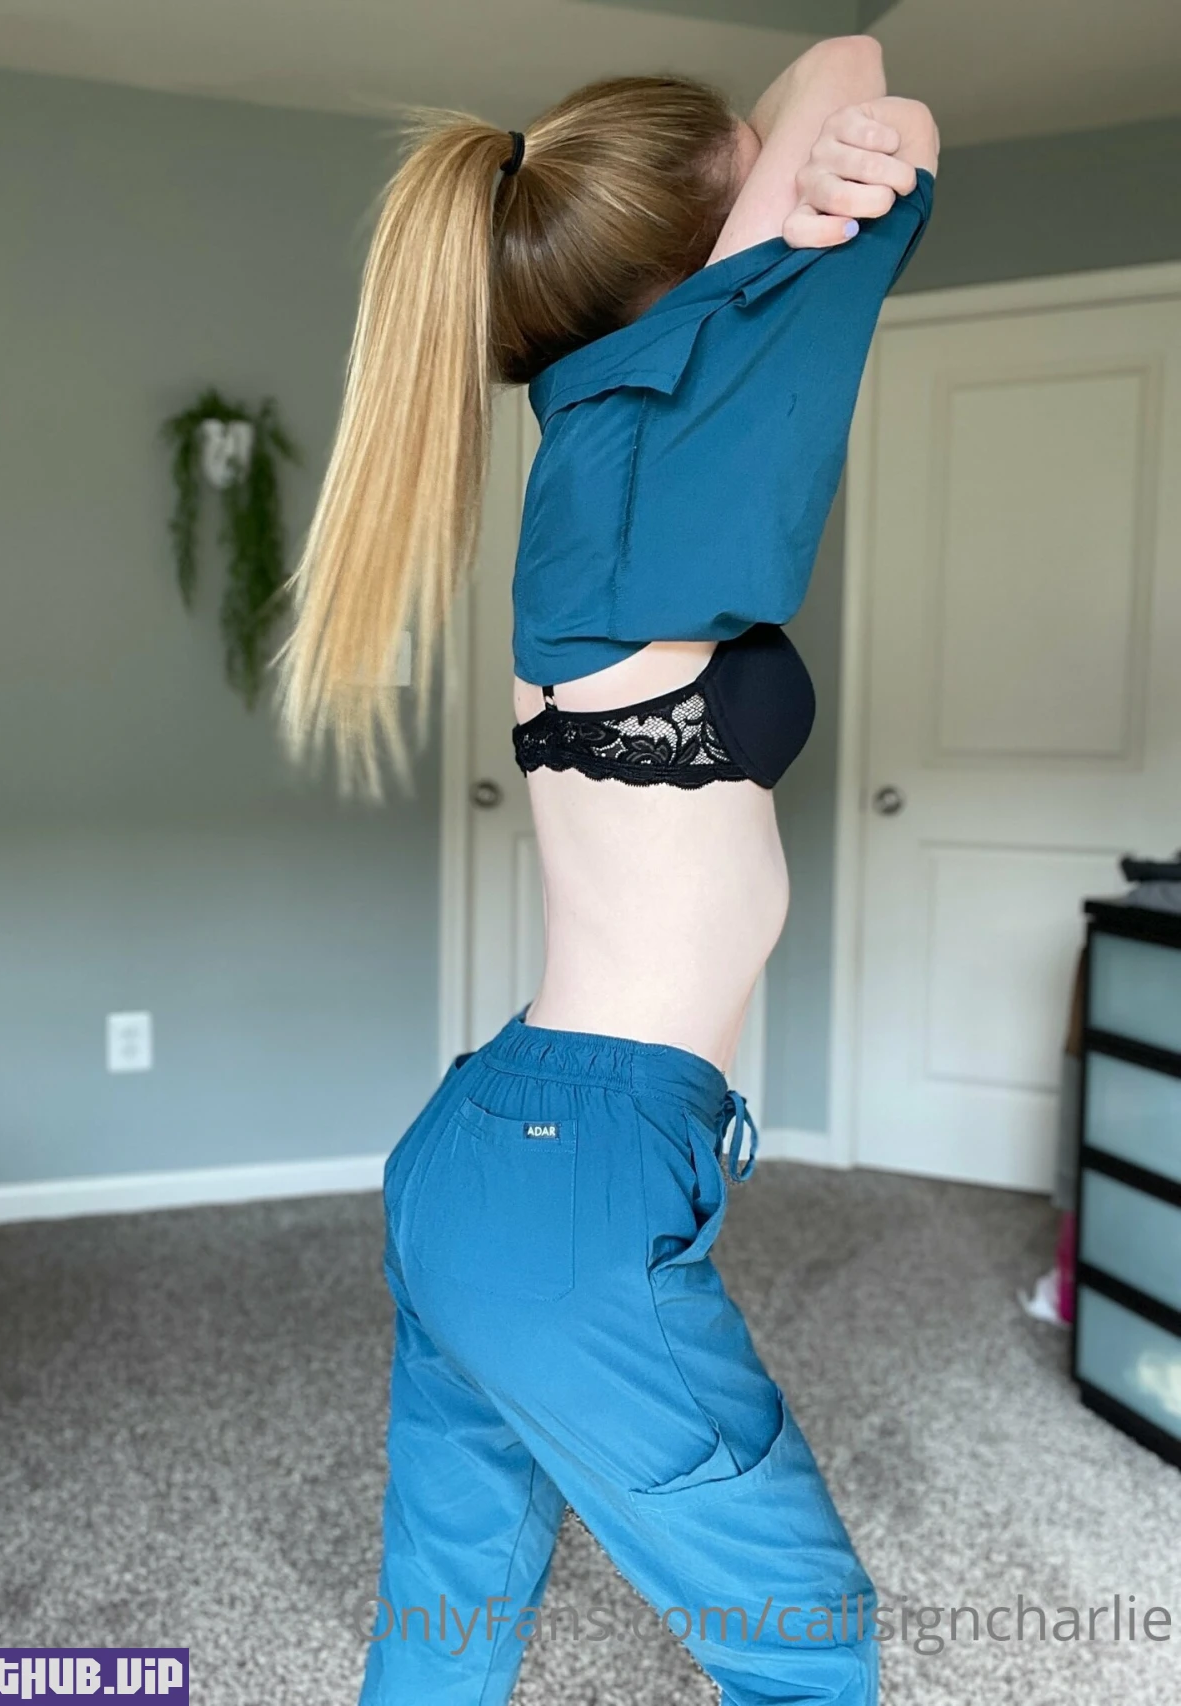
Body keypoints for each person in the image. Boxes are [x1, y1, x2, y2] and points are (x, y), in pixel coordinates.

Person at [277, 34, 938, 1706]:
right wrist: (848, 154)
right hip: (570, 1177)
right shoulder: (650, 471)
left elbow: (833, 81)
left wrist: (782, 167)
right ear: (705, 266)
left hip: (502, 1150)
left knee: (452, 1604)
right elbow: (858, 79)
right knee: (806, 1633)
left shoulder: (600, 444)